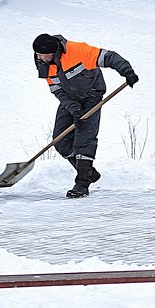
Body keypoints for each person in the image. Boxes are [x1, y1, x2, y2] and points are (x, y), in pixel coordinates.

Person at [32, 33, 138, 198]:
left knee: (84, 139)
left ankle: (82, 183)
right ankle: (88, 172)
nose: (38, 57)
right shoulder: (43, 63)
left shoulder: (77, 51)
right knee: (59, 140)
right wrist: (74, 108)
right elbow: (57, 89)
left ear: (51, 51)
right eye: (37, 54)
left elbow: (109, 57)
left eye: (40, 54)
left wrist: (127, 71)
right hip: (70, 98)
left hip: (92, 95)